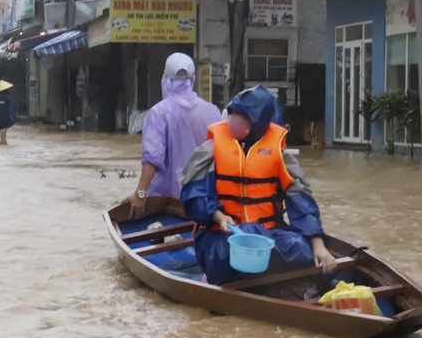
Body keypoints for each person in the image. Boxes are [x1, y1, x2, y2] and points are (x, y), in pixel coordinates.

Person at [179, 85, 336, 284]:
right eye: (234, 113)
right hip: (221, 237)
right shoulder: (211, 149)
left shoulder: (278, 153)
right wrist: (219, 217)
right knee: (246, 238)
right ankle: (214, 278)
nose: (235, 120)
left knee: (300, 249)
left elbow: (302, 201)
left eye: (242, 115)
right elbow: (193, 195)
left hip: (269, 234)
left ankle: (273, 283)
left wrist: (318, 244)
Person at [123, 53, 222, 218]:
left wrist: (140, 194)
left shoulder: (158, 113)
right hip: (206, 201)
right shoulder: (212, 111)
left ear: (165, 80)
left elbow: (152, 158)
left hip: (168, 201)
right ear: (192, 80)